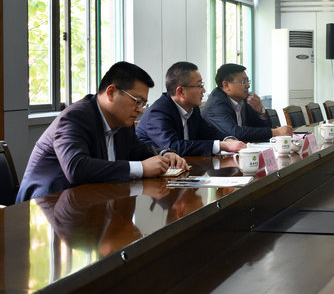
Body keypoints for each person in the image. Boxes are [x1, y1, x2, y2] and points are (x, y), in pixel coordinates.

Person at [16, 62, 187, 202]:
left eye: (143, 103)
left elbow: (138, 150)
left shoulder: (123, 121)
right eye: (137, 101)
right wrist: (141, 168)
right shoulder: (76, 117)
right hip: (46, 206)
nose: (140, 109)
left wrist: (165, 154)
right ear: (111, 92)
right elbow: (76, 167)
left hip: (90, 203)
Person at [136, 62, 247, 156]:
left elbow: (208, 133)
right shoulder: (158, 113)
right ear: (181, 91)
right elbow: (174, 146)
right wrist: (221, 145)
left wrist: (227, 140)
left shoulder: (193, 109)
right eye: (199, 85)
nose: (204, 90)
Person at [202, 63, 293, 141]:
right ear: (226, 85)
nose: (248, 85)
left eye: (248, 81)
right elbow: (236, 133)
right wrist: (275, 132)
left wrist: (261, 112)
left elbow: (262, 129)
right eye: (243, 81)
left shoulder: (245, 99)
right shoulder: (216, 105)